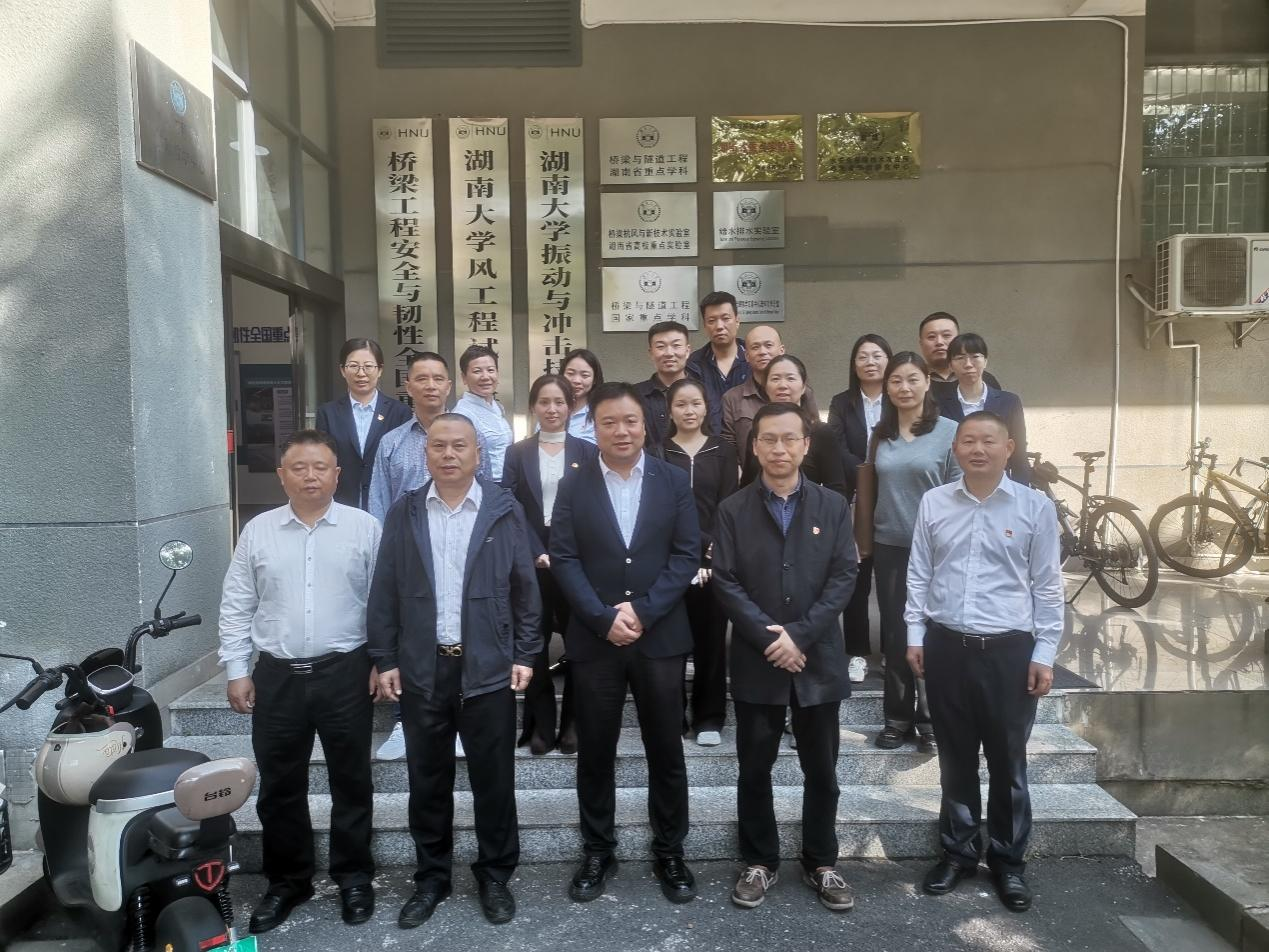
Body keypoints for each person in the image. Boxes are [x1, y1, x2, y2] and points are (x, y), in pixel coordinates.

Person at [367, 414, 542, 929]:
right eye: (439, 446)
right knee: (427, 781)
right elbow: (384, 589)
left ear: (477, 454)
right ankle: (431, 878)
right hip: (423, 668)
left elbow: (525, 589)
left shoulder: (503, 509)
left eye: (459, 446)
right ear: (426, 455)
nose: (448, 454)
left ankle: (495, 876)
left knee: (494, 780)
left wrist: (525, 654)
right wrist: (385, 658)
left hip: (487, 666)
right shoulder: (405, 511)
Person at [217, 430, 382, 933]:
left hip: (346, 673)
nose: (311, 476)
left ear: (337, 474)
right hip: (278, 677)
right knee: (280, 786)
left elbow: (384, 601)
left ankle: (354, 877)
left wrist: (382, 660)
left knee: (351, 781)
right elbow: (237, 603)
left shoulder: (364, 528)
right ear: (282, 475)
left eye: (320, 467)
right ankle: (288, 882)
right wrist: (237, 669)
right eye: (299, 467)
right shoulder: (258, 531)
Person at [905, 411, 1064, 913]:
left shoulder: (1035, 507)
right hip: (947, 646)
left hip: (1010, 651)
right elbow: (919, 573)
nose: (978, 449)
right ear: (955, 449)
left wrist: (1044, 652)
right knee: (955, 758)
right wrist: (915, 636)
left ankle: (1008, 862)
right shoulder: (935, 502)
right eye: (968, 441)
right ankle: (957, 853)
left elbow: (1048, 586)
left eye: (988, 441)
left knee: (1007, 760)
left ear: (1008, 448)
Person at [549, 382, 701, 904]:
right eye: (609, 422)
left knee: (666, 749)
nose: (621, 430)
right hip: (596, 641)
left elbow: (686, 554)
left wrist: (644, 610)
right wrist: (601, 616)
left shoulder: (672, 479)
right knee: (595, 749)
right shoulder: (574, 484)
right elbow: (564, 556)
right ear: (593, 428)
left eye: (630, 420)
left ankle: (670, 850)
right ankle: (598, 850)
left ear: (646, 425)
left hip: (660, 637)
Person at [712, 401, 859, 912]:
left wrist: (799, 636)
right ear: (755, 447)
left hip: (817, 658)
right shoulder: (733, 509)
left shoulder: (832, 505)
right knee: (755, 769)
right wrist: (770, 638)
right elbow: (725, 580)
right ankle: (759, 860)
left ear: (805, 445)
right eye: (769, 439)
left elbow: (844, 575)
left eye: (789, 438)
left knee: (823, 772)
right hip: (759, 659)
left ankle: (822, 861)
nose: (779, 448)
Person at [368, 351, 483, 762]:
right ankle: (404, 722)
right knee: (412, 638)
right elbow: (378, 505)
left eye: (438, 378)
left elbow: (488, 494)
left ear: (449, 385)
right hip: (410, 560)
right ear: (408, 386)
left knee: (459, 631)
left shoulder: (471, 435)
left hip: (462, 551)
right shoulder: (392, 443)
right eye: (422, 378)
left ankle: (461, 722)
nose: (431, 385)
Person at [501, 374, 598, 755]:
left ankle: (573, 722)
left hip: (574, 559)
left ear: (571, 407)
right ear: (533, 407)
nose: (552, 409)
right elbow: (510, 504)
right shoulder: (517, 452)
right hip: (531, 560)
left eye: (560, 402)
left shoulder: (587, 451)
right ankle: (540, 724)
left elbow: (592, 507)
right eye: (544, 402)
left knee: (579, 642)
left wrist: (563, 551)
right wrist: (535, 550)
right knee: (534, 641)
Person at [871, 352, 961, 754]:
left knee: (932, 631)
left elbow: (959, 491)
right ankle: (896, 718)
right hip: (889, 546)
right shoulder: (881, 433)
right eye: (895, 381)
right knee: (895, 634)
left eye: (912, 379)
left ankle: (931, 719)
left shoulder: (949, 431)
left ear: (927, 382)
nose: (904, 388)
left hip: (937, 550)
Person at [660, 377, 737, 746]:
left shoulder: (723, 450)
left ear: (707, 407)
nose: (689, 411)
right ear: (669, 410)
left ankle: (709, 716)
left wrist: (710, 553)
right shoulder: (658, 451)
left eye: (695, 403)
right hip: (669, 560)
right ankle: (671, 714)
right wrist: (687, 552)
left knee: (711, 639)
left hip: (711, 561)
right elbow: (660, 509)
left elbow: (728, 505)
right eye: (681, 404)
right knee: (670, 640)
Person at [827, 333, 893, 683]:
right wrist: (868, 470)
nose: (870, 362)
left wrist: (888, 469)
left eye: (877, 355)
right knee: (858, 577)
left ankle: (893, 649)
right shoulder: (842, 402)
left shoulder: (898, 398)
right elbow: (835, 445)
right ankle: (857, 652)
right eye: (863, 356)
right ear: (854, 365)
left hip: (895, 495)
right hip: (857, 497)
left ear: (888, 360)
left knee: (894, 579)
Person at [315, 338, 412, 510]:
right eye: (353, 366)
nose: (361, 373)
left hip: (387, 503)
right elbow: (322, 461)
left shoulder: (399, 412)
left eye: (368, 366)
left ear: (380, 370)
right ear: (342, 370)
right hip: (342, 503)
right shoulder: (328, 413)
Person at [739, 355, 847, 498]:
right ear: (765, 387)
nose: (782, 385)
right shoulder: (757, 431)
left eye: (790, 378)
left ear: (803, 387)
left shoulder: (821, 432)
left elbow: (836, 488)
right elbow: (747, 484)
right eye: (775, 379)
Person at [937, 333, 1031, 485]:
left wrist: (1021, 491)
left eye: (975, 356)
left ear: (985, 361)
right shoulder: (938, 404)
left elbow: (1019, 454)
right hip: (953, 487)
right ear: (950, 365)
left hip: (999, 486)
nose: (968, 364)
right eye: (960, 358)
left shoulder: (1009, 402)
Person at [721, 325, 819, 460]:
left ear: (781, 350)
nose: (762, 352)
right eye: (755, 347)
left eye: (768, 345)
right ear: (747, 356)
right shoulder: (732, 398)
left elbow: (815, 431)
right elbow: (728, 445)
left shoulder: (801, 391)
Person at [686, 291, 749, 435]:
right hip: (710, 442)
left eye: (726, 318)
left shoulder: (754, 357)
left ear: (737, 320)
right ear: (705, 325)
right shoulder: (693, 365)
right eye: (711, 320)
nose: (719, 326)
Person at [453, 344, 514, 482]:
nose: (485, 377)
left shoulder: (497, 407)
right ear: (464, 377)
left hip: (508, 483)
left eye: (491, 370)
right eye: (477, 371)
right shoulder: (462, 415)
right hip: (484, 486)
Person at [917, 311, 1000, 402]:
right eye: (931, 337)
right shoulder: (913, 381)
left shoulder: (986, 380)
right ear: (921, 344)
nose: (939, 342)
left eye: (946, 335)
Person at [634, 321, 691, 448]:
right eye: (661, 346)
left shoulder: (705, 392)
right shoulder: (634, 395)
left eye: (676, 345)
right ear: (651, 353)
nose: (669, 353)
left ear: (687, 351)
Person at [561, 348, 604, 444]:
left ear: (595, 379)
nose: (576, 380)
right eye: (570, 374)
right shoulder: (551, 410)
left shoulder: (603, 412)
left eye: (584, 375)